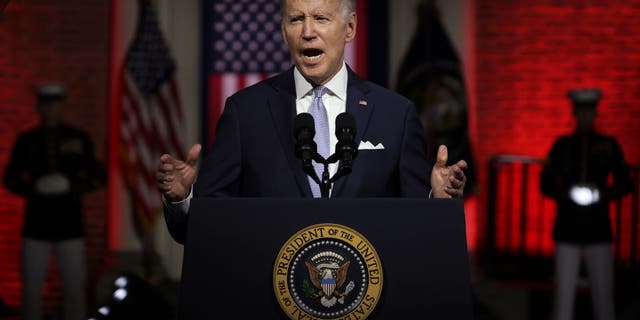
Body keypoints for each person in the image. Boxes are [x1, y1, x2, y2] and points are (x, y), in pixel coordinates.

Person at [157, 0, 468, 243]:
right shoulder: (245, 112)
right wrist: (184, 199)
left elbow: (416, 225)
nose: (307, 31)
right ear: (283, 30)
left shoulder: (395, 115)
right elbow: (210, 226)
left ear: (349, 28)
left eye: (321, 18)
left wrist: (437, 200)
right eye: (296, 19)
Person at [3, 83, 106, 320]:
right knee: (31, 288)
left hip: (69, 223)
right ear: (40, 106)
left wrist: (72, 186)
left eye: (55, 102)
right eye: (46, 102)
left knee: (74, 289)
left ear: (61, 105)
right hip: (36, 224)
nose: (50, 107)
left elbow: (98, 176)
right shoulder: (27, 140)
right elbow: (10, 179)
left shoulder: (77, 138)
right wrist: (33, 188)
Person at [540, 88, 633, 320]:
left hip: (598, 228)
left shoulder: (608, 145)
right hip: (568, 227)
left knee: (604, 300)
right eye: (581, 112)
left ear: (595, 114)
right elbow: (546, 182)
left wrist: (602, 194)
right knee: (563, 301)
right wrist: (565, 193)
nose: (585, 117)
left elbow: (625, 182)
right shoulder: (562, 146)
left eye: (589, 112)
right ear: (575, 113)